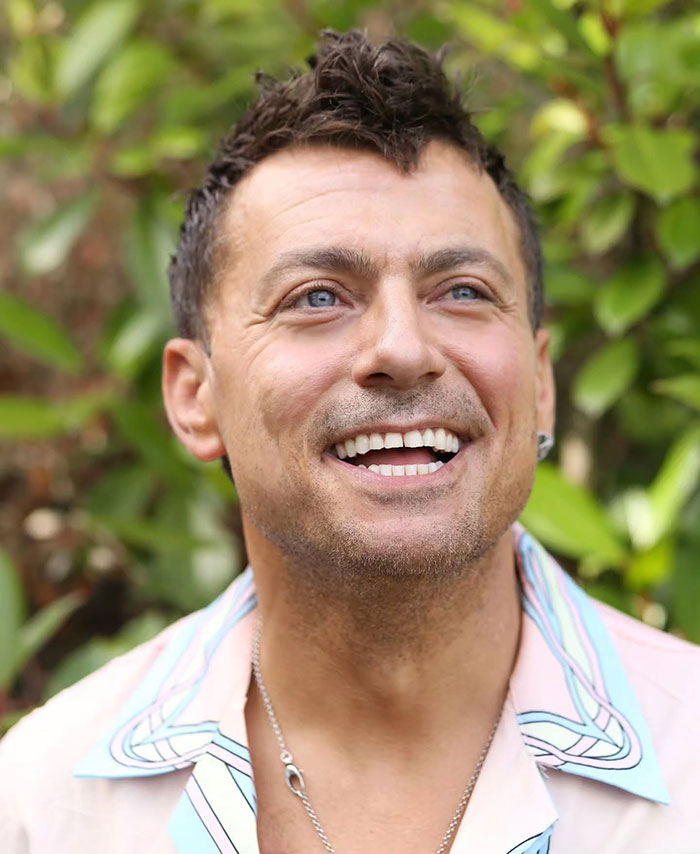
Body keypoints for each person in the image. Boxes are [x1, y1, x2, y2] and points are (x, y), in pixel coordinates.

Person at [1, 29, 699, 854]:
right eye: (318, 297)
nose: (403, 348)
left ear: (540, 383)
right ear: (196, 398)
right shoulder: (44, 809)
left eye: (464, 290)